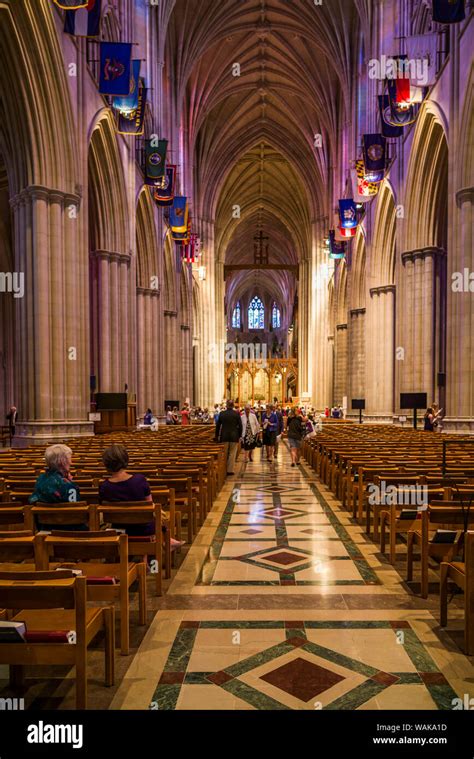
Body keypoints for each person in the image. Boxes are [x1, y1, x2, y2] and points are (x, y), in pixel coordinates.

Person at [99, 445, 183, 546]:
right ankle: (161, 544)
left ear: (106, 463)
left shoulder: (104, 486)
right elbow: (150, 506)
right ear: (125, 459)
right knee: (158, 514)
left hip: (117, 529)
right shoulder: (139, 480)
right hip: (143, 529)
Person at [29, 444, 81, 531]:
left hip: (44, 527)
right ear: (62, 461)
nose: (71, 462)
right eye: (69, 459)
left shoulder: (40, 479)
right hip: (67, 530)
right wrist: (72, 484)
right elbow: (75, 512)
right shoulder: (68, 485)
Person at [215, 400, 243, 475]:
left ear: (226, 405)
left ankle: (223, 470)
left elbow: (218, 426)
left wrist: (216, 436)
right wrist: (240, 436)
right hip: (234, 436)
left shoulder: (222, 414)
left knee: (224, 453)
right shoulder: (236, 414)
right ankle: (229, 470)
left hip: (224, 436)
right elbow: (240, 426)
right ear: (233, 405)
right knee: (232, 454)